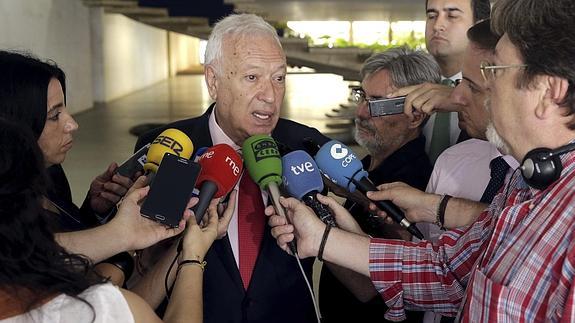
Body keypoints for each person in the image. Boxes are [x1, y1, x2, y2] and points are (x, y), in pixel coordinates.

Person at [269, 0, 575, 320]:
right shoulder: (523, 184)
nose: (457, 99)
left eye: (492, 72)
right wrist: (321, 238)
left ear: (548, 91)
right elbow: (444, 272)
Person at [133, 13, 329, 323]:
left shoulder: (306, 147)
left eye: (279, 78)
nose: (270, 96)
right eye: (252, 78)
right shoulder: (170, 149)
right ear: (213, 81)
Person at [0, 117, 231, 323]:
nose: (72, 123)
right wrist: (192, 257)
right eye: (54, 114)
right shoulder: (92, 307)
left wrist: (132, 238)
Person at [0, 50, 176, 281]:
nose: (72, 124)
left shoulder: (50, 172)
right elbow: (30, 258)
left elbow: (70, 232)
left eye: (65, 110)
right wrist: (122, 246)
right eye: (55, 115)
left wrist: (95, 211)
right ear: (16, 123)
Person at [319, 48, 439, 323]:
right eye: (362, 96)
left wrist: (314, 213)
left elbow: (368, 289)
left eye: (377, 102)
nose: (361, 112)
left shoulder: (414, 186)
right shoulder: (362, 166)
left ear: (415, 115)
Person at [390, 0, 491, 163]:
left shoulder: (496, 88)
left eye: (452, 15)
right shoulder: (404, 87)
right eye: (431, 16)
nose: (437, 25)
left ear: (480, 25)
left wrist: (463, 100)